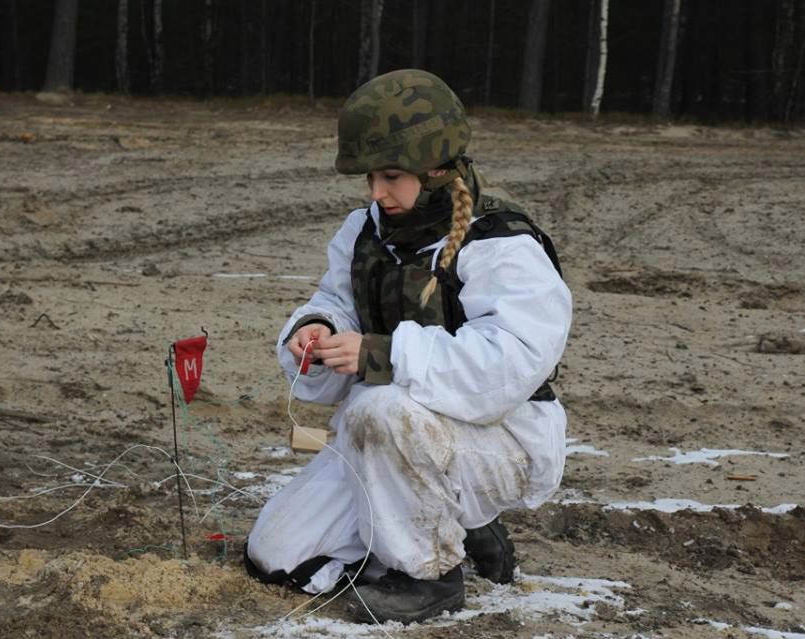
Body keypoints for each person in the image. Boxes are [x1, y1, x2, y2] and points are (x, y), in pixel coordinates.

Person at [244, 69, 572, 624]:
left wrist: (384, 354)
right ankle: (451, 522)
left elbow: (510, 364)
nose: (377, 192)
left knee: (379, 405)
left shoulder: (501, 243)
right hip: (391, 441)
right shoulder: (363, 232)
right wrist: (317, 328)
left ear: (437, 168)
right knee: (275, 555)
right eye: (371, 176)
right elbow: (336, 299)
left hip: (503, 441)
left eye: (392, 176)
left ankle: (429, 576)